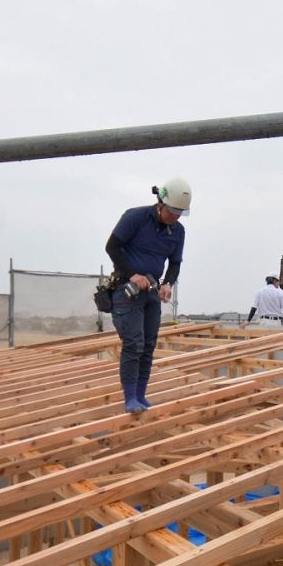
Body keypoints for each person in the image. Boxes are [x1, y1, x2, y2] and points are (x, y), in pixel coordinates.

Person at [105, 177, 189, 413]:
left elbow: (174, 263)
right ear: (160, 203)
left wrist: (168, 283)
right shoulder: (136, 217)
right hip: (127, 290)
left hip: (151, 293)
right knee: (133, 343)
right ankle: (130, 398)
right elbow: (112, 247)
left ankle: (141, 396)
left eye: (180, 213)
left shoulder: (178, 231)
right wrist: (132, 273)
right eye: (172, 211)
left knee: (148, 345)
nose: (176, 216)